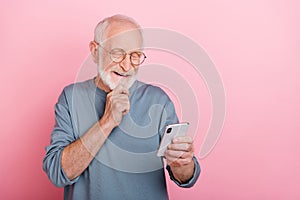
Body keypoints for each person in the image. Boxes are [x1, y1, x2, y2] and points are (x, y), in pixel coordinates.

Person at [43, 14, 200, 200]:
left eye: (135, 55)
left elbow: (186, 177)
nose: (126, 66)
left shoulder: (158, 99)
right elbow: (57, 173)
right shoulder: (71, 98)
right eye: (117, 53)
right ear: (95, 51)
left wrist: (182, 164)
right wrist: (107, 122)